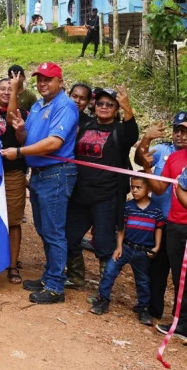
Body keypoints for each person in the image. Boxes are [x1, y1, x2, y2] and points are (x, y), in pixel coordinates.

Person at [2, 62, 79, 304]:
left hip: (56, 173)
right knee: (45, 229)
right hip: (40, 173)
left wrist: (20, 151)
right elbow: (26, 135)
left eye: (48, 79)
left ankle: (56, 286)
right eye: (40, 79)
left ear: (60, 81)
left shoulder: (65, 106)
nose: (43, 84)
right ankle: (49, 276)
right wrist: (22, 132)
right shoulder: (38, 104)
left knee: (54, 232)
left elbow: (54, 143)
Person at [64, 87, 138, 291]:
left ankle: (104, 291)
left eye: (110, 104)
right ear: (94, 106)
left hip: (106, 196)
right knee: (70, 236)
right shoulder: (86, 124)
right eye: (101, 103)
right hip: (79, 193)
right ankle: (76, 276)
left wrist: (128, 109)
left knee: (104, 245)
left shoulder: (120, 130)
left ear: (116, 109)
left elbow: (132, 135)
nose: (104, 107)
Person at [89, 177, 164, 326]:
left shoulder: (156, 209)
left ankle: (143, 308)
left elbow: (159, 229)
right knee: (109, 271)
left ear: (148, 189)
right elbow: (121, 229)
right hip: (126, 248)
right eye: (132, 187)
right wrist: (119, 247)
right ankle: (103, 300)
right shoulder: (128, 207)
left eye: (138, 187)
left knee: (143, 281)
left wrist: (156, 247)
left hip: (143, 252)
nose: (134, 190)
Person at [135, 115, 185, 319]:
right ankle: (153, 309)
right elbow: (141, 160)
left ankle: (180, 318)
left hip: (181, 223)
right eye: (177, 131)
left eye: (185, 132)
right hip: (161, 221)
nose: (180, 136)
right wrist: (146, 140)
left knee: (180, 273)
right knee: (156, 267)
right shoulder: (166, 152)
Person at [0, 77, 28, 284]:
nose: (7, 92)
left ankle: (13, 265)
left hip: (13, 173)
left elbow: (23, 138)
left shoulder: (22, 114)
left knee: (13, 220)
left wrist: (19, 131)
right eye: (3, 88)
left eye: (11, 89)